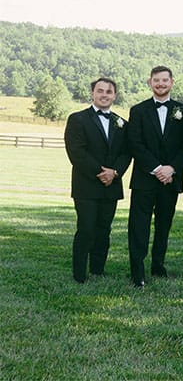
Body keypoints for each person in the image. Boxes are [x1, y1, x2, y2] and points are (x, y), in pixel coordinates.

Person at [126, 66, 183, 288]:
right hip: (145, 179)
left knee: (164, 225)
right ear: (150, 82)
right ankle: (137, 271)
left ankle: (158, 265)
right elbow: (135, 144)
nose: (161, 84)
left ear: (172, 82)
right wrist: (157, 168)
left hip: (171, 180)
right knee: (139, 226)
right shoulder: (138, 110)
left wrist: (171, 169)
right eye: (157, 80)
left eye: (165, 80)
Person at [64, 77, 132, 283]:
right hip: (86, 184)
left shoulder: (121, 123)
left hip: (111, 185)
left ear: (114, 95)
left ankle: (97, 269)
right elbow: (76, 152)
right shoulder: (77, 119)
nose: (104, 95)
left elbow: (127, 152)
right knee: (86, 229)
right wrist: (100, 172)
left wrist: (115, 172)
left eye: (108, 92)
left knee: (104, 229)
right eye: (100, 91)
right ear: (92, 93)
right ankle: (79, 274)